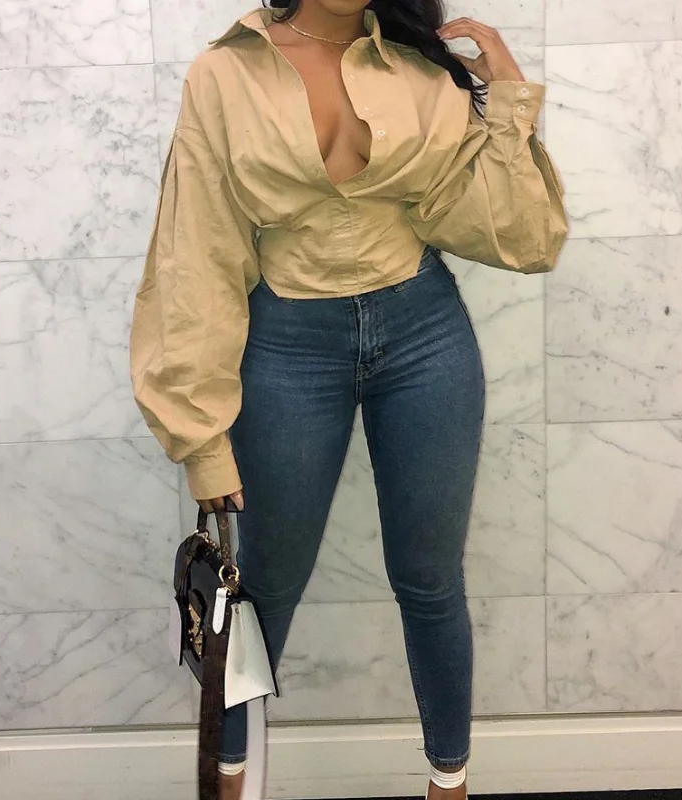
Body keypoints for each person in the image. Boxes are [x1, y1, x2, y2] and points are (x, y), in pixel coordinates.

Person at [131, 0, 568, 797]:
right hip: (286, 346)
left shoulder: (418, 67)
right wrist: (200, 438)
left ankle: (449, 783)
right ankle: (228, 781)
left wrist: (505, 96)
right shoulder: (224, 73)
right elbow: (194, 254)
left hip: (425, 334)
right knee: (262, 590)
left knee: (431, 580)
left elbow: (523, 237)